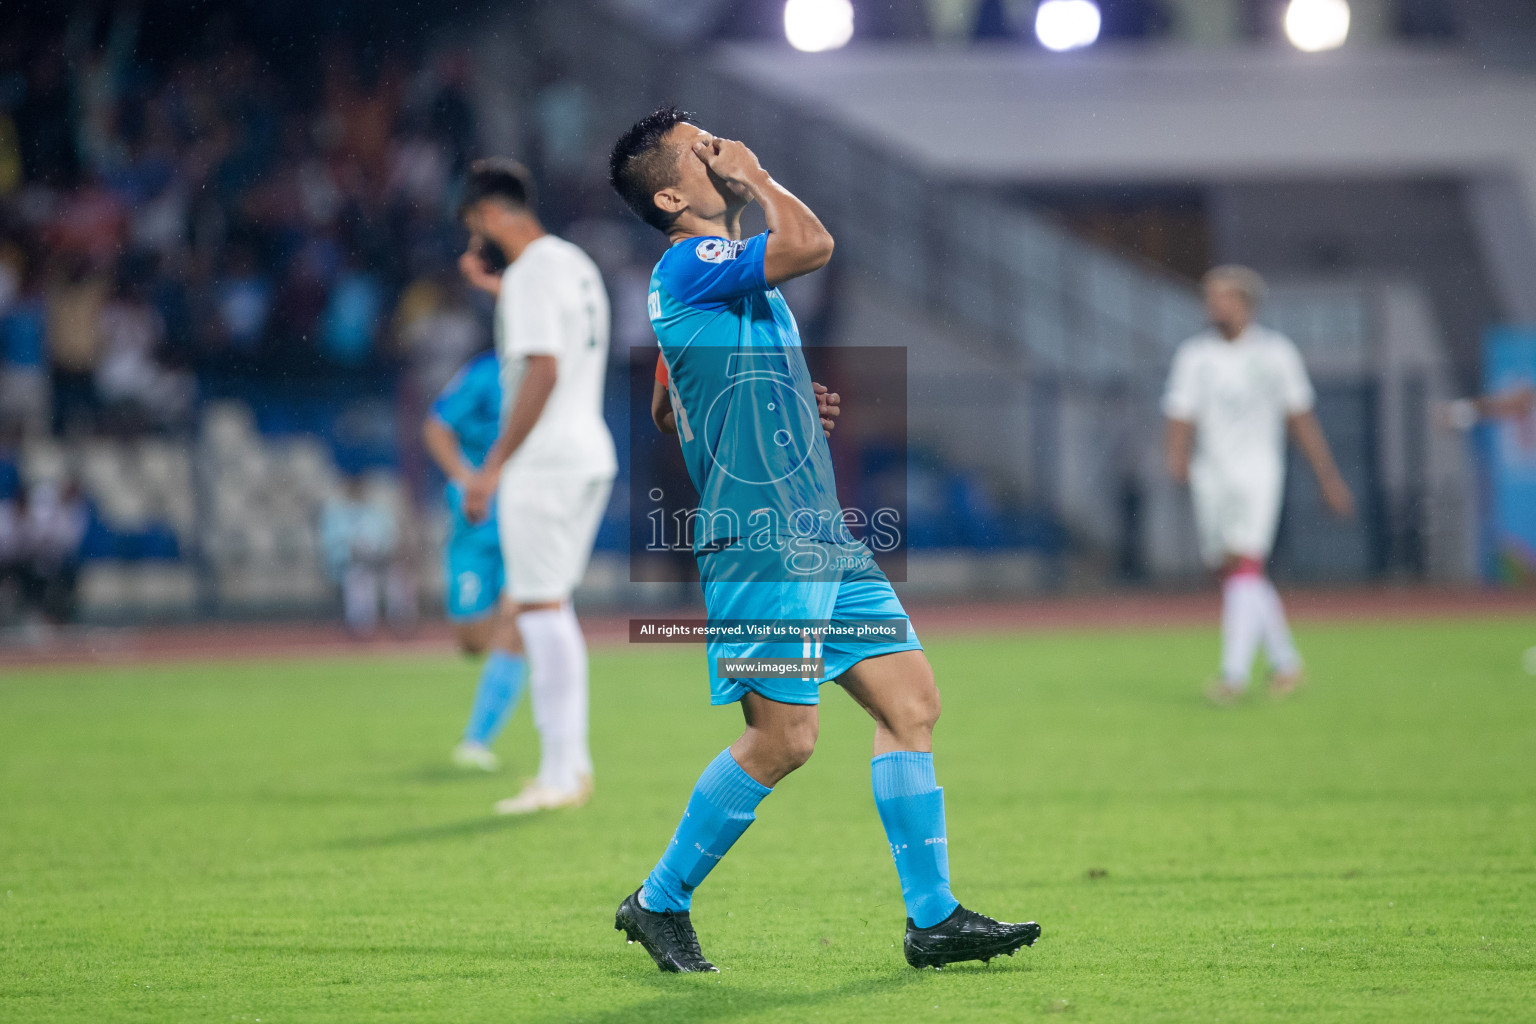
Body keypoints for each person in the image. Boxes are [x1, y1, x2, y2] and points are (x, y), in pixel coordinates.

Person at [605, 106, 1039, 974]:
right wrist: (759, 176)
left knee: (911, 704)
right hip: (759, 542)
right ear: (668, 191)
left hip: (821, 538)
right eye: (701, 149)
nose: (719, 150)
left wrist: (756, 396)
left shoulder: (711, 283)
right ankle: (658, 900)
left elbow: (666, 392)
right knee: (785, 741)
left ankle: (933, 918)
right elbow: (812, 245)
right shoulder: (694, 259)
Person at [455, 159, 617, 815]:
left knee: (539, 614)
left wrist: (492, 465)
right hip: (587, 453)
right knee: (552, 611)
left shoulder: (527, 275)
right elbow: (567, 342)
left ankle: (558, 775)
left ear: (494, 217)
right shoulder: (573, 262)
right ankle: (569, 767)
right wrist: (501, 293)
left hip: (544, 464)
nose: (473, 245)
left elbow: (543, 368)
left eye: (474, 229)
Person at [1163, 265, 1356, 704]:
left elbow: (1299, 416)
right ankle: (1286, 663)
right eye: (1210, 298)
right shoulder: (1195, 355)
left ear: (1246, 304)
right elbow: (1179, 412)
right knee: (1233, 570)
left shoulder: (1276, 353)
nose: (1215, 306)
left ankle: (1233, 675)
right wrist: (1175, 458)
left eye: (1224, 298)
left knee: (1245, 564)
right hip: (1210, 473)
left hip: (1257, 471)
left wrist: (1327, 476)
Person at [421, 350, 526, 772]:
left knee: (519, 619)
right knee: (472, 639)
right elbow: (436, 426)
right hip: (476, 521)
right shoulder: (486, 373)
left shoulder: (548, 368)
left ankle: (477, 740)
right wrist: (468, 479)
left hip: (526, 515)